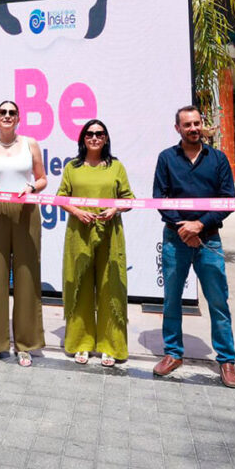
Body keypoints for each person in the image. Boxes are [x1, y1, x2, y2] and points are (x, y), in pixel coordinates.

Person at [152, 106, 235, 388]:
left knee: (217, 301)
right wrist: (183, 227)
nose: (193, 128)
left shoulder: (218, 159)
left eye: (197, 123)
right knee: (172, 300)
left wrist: (200, 225)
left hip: (209, 239)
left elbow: (228, 200)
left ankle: (226, 360)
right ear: (177, 128)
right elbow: (160, 198)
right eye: (187, 124)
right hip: (175, 240)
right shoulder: (167, 158)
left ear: (202, 125)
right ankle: (173, 353)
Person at [0, 100, 48, 367]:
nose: (7, 116)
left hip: (26, 213)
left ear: (18, 118)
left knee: (27, 277)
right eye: (3, 112)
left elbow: (42, 178)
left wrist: (31, 188)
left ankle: (25, 345)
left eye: (12, 113)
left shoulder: (31, 144)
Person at [57, 119, 134, 367]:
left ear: (106, 138)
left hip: (110, 234)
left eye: (100, 133)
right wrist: (78, 212)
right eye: (89, 133)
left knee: (110, 287)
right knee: (79, 286)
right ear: (82, 138)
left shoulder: (116, 167)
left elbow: (129, 199)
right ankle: (81, 343)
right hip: (79, 234)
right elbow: (61, 197)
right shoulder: (72, 167)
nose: (94, 137)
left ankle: (110, 346)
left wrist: (114, 209)